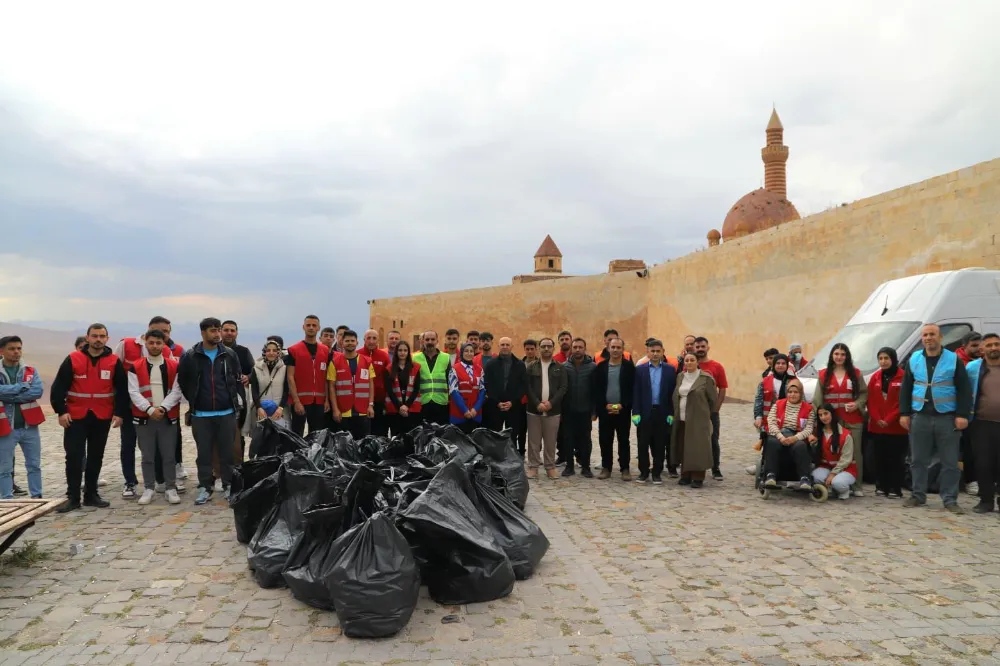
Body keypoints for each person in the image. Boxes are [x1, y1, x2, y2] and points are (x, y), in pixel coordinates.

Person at [51, 323, 129, 512]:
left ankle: (91, 494)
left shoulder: (113, 361)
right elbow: (58, 387)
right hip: (75, 416)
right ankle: (73, 497)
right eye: (94, 336)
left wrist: (119, 413)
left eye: (102, 336)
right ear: (87, 338)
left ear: (107, 339)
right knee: (74, 457)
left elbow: (122, 390)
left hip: (101, 416)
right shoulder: (73, 359)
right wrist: (61, 411)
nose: (98, 340)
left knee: (96, 456)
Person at [900, 324, 972, 513]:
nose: (928, 338)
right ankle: (918, 495)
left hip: (947, 418)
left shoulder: (953, 359)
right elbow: (906, 388)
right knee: (918, 460)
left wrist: (962, 415)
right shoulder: (914, 359)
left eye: (932, 334)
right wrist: (904, 413)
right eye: (925, 335)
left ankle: (949, 499)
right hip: (920, 416)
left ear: (940, 337)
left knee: (950, 461)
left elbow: (964, 389)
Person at [177, 318, 245, 506]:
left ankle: (229, 485)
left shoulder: (229, 354)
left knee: (227, 453)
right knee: (204, 454)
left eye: (218, 330)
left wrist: (235, 403)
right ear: (203, 332)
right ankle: (205, 487)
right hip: (201, 414)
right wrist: (195, 400)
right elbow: (183, 381)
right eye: (213, 331)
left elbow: (236, 379)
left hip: (226, 412)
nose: (217, 334)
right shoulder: (191, 356)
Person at [113, 316, 175, 500]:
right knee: (131, 445)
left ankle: (164, 483)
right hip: (132, 407)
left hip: (163, 411)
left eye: (165, 333)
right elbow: (117, 374)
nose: (158, 340)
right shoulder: (126, 346)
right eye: (157, 332)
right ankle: (131, 483)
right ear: (147, 333)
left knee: (164, 450)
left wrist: (162, 408)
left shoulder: (170, 358)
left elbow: (174, 385)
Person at [127, 329, 183, 506]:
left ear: (163, 344)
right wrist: (150, 409)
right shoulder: (135, 366)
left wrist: (163, 408)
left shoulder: (174, 366)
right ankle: (149, 488)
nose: (155, 346)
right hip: (144, 419)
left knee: (168, 455)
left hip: (167, 417)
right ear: (145, 343)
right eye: (151, 342)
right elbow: (133, 392)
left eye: (158, 343)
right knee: (147, 455)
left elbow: (177, 390)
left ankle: (170, 488)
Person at [813, 343, 868, 495]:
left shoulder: (856, 373)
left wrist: (857, 404)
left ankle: (856, 486)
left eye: (842, 354)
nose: (839, 357)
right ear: (832, 355)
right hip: (832, 420)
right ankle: (835, 481)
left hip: (852, 419)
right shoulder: (823, 374)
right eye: (836, 354)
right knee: (832, 450)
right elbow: (818, 399)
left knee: (855, 452)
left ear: (847, 356)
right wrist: (817, 418)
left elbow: (864, 394)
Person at [0, 336, 46, 499]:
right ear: (2, 351)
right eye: (12, 348)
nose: (16, 352)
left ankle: (37, 497)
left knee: (34, 465)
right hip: (5, 427)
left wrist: (8, 395)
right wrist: (20, 387)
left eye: (19, 348)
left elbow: (37, 392)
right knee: (4, 468)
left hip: (29, 426)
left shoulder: (30, 371)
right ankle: (6, 501)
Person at [631, 339, 678, 484]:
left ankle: (657, 473)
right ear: (648, 352)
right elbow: (636, 392)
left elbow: (673, 393)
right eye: (653, 351)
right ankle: (644, 472)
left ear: (663, 352)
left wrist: (671, 413)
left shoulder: (670, 370)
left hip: (662, 412)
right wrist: (636, 412)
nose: (656, 354)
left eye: (658, 351)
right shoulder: (640, 370)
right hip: (645, 412)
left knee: (660, 444)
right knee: (643, 443)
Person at [671, 352, 718, 488]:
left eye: (692, 360)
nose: (689, 363)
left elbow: (712, 399)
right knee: (684, 445)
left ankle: (698, 476)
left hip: (698, 418)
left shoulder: (706, 378)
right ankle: (685, 475)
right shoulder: (680, 377)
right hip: (681, 416)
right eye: (687, 360)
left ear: (698, 362)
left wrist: (703, 413)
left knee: (698, 447)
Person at [761, 377, 816, 490]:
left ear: (801, 393)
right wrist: (781, 437)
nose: (792, 394)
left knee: (800, 446)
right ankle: (770, 475)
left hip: (797, 436)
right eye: (790, 392)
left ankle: (804, 478)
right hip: (779, 433)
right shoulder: (778, 404)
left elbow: (808, 428)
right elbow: (771, 422)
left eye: (796, 392)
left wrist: (795, 438)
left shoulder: (808, 408)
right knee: (772, 443)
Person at [593, 337, 635, 480]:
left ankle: (625, 468)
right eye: (613, 347)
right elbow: (596, 390)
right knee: (605, 440)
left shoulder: (629, 367)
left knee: (624, 440)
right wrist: (604, 406)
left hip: (623, 411)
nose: (616, 350)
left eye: (618, 347)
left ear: (623, 349)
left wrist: (622, 405)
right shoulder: (601, 367)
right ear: (608, 348)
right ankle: (606, 467)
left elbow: (632, 389)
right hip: (605, 411)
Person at [867, 347, 907, 498]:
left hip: (896, 426)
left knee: (895, 458)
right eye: (881, 358)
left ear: (893, 359)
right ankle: (881, 485)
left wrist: (889, 419)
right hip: (878, 426)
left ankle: (895, 487)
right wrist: (877, 418)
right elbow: (870, 400)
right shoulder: (875, 377)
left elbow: (902, 401)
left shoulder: (903, 376)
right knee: (879, 457)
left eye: (886, 358)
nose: (883, 362)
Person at [525, 338, 568, 479]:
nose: (546, 349)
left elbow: (563, 388)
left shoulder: (560, 367)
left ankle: (550, 467)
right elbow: (528, 387)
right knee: (533, 440)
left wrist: (551, 403)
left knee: (550, 440)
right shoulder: (531, 367)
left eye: (549, 346)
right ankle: (533, 466)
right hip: (534, 409)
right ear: (539, 348)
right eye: (543, 346)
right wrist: (537, 403)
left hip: (553, 411)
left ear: (553, 348)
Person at [285, 315, 331, 436]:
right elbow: (290, 377)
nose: (311, 328)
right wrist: (296, 401)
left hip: (319, 402)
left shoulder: (325, 351)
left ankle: (314, 455)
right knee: (297, 434)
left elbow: (326, 376)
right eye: (308, 325)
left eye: (314, 325)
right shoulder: (294, 350)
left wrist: (326, 400)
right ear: (303, 327)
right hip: (300, 401)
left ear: (318, 328)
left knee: (317, 435)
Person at [970, 333, 1000, 513]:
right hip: (981, 423)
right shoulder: (973, 368)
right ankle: (986, 500)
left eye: (997, 344)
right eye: (989, 345)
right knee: (983, 462)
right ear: (982, 349)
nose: (994, 348)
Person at [327, 330, 375, 439]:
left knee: (363, 444)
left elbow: (371, 384)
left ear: (357, 343)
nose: (350, 343)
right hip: (343, 412)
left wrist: (371, 405)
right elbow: (331, 387)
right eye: (347, 341)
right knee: (344, 447)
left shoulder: (367, 361)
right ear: (342, 343)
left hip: (363, 410)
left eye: (352, 341)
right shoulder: (334, 362)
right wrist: (335, 409)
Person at [561, 338, 597, 477]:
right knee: (568, 439)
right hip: (568, 410)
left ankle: (586, 467)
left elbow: (595, 391)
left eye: (580, 347)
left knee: (585, 440)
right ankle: (569, 466)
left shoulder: (592, 367)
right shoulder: (565, 366)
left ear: (584, 348)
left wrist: (594, 411)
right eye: (575, 347)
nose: (577, 349)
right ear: (571, 348)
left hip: (585, 410)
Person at [483, 337, 527, 445]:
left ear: (511, 347)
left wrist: (513, 402)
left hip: (513, 406)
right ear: (498, 346)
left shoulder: (520, 365)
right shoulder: (490, 364)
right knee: (494, 434)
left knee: (512, 435)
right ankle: (495, 458)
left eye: (507, 345)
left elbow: (523, 386)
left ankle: (512, 458)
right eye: (502, 345)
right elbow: (487, 384)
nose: (505, 347)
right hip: (495, 405)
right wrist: (497, 402)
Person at [694, 336, 727, 481]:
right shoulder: (690, 364)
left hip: (711, 410)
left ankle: (715, 468)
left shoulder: (716, 366)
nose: (700, 349)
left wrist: (716, 408)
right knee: (693, 438)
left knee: (713, 439)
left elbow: (723, 388)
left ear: (708, 348)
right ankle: (693, 466)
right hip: (694, 410)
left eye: (703, 346)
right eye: (698, 347)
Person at [221, 320, 254, 467]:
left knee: (238, 434)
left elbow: (254, 371)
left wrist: (249, 377)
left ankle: (239, 468)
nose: (229, 333)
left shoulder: (243, 351)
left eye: (232, 330)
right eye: (226, 330)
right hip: (218, 399)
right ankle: (218, 471)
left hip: (239, 400)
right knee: (218, 437)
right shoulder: (214, 350)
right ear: (221, 331)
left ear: (236, 333)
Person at [808, 404, 858, 500]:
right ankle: (833, 487)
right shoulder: (818, 433)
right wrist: (812, 443)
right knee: (815, 477)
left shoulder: (845, 435)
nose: (823, 417)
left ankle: (844, 490)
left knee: (838, 483)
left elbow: (846, 460)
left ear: (832, 414)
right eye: (820, 415)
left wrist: (833, 474)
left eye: (826, 413)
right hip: (826, 467)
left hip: (845, 469)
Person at [957, 332, 983, 494]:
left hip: (985, 413)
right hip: (968, 413)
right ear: (964, 346)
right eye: (973, 346)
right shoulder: (963, 364)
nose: (978, 349)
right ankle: (971, 480)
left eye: (979, 345)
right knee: (969, 449)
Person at [754, 353, 792, 453]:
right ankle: (765, 464)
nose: (780, 365)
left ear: (787, 365)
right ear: (774, 365)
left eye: (783, 363)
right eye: (778, 363)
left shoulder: (793, 381)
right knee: (768, 443)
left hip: (788, 418)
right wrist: (758, 417)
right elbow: (759, 400)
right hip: (768, 419)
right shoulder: (765, 381)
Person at [413, 331, 451, 425]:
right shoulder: (415, 358)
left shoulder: (446, 358)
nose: (430, 342)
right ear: (423, 341)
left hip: (441, 402)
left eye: (432, 339)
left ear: (437, 341)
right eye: (427, 339)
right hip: (422, 402)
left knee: (441, 434)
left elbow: (449, 380)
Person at [385, 340, 422, 437]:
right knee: (396, 438)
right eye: (400, 350)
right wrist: (400, 407)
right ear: (396, 352)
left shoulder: (416, 367)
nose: (402, 353)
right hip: (394, 410)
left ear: (408, 352)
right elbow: (389, 390)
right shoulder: (389, 369)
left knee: (412, 438)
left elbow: (416, 388)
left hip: (412, 409)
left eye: (405, 350)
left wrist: (406, 406)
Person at [251, 340, 289, 429]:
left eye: (274, 350)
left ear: (278, 352)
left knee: (280, 439)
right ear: (264, 352)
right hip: (262, 410)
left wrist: (280, 408)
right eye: (268, 350)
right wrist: (259, 408)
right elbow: (254, 390)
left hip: (280, 410)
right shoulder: (256, 369)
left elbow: (286, 390)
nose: (271, 353)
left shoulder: (284, 368)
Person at [360, 329, 391, 436]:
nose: (371, 341)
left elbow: (389, 379)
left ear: (378, 340)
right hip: (361, 402)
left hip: (380, 402)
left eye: (374, 338)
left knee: (380, 433)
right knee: (363, 433)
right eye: (369, 338)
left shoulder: (384, 356)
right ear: (364, 340)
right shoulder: (358, 354)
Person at [448, 343, 485, 434]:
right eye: (466, 351)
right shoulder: (454, 369)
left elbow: (482, 391)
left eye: (471, 351)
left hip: (475, 414)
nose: (469, 353)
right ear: (462, 353)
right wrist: (465, 410)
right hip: (459, 413)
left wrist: (475, 409)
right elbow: (453, 391)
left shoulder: (480, 369)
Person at [517, 339, 539, 456]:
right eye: (527, 349)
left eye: (532, 349)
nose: (530, 351)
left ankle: (535, 453)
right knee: (521, 429)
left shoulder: (541, 365)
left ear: (536, 350)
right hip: (521, 402)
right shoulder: (519, 365)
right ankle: (521, 452)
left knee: (536, 430)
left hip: (536, 402)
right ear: (524, 350)